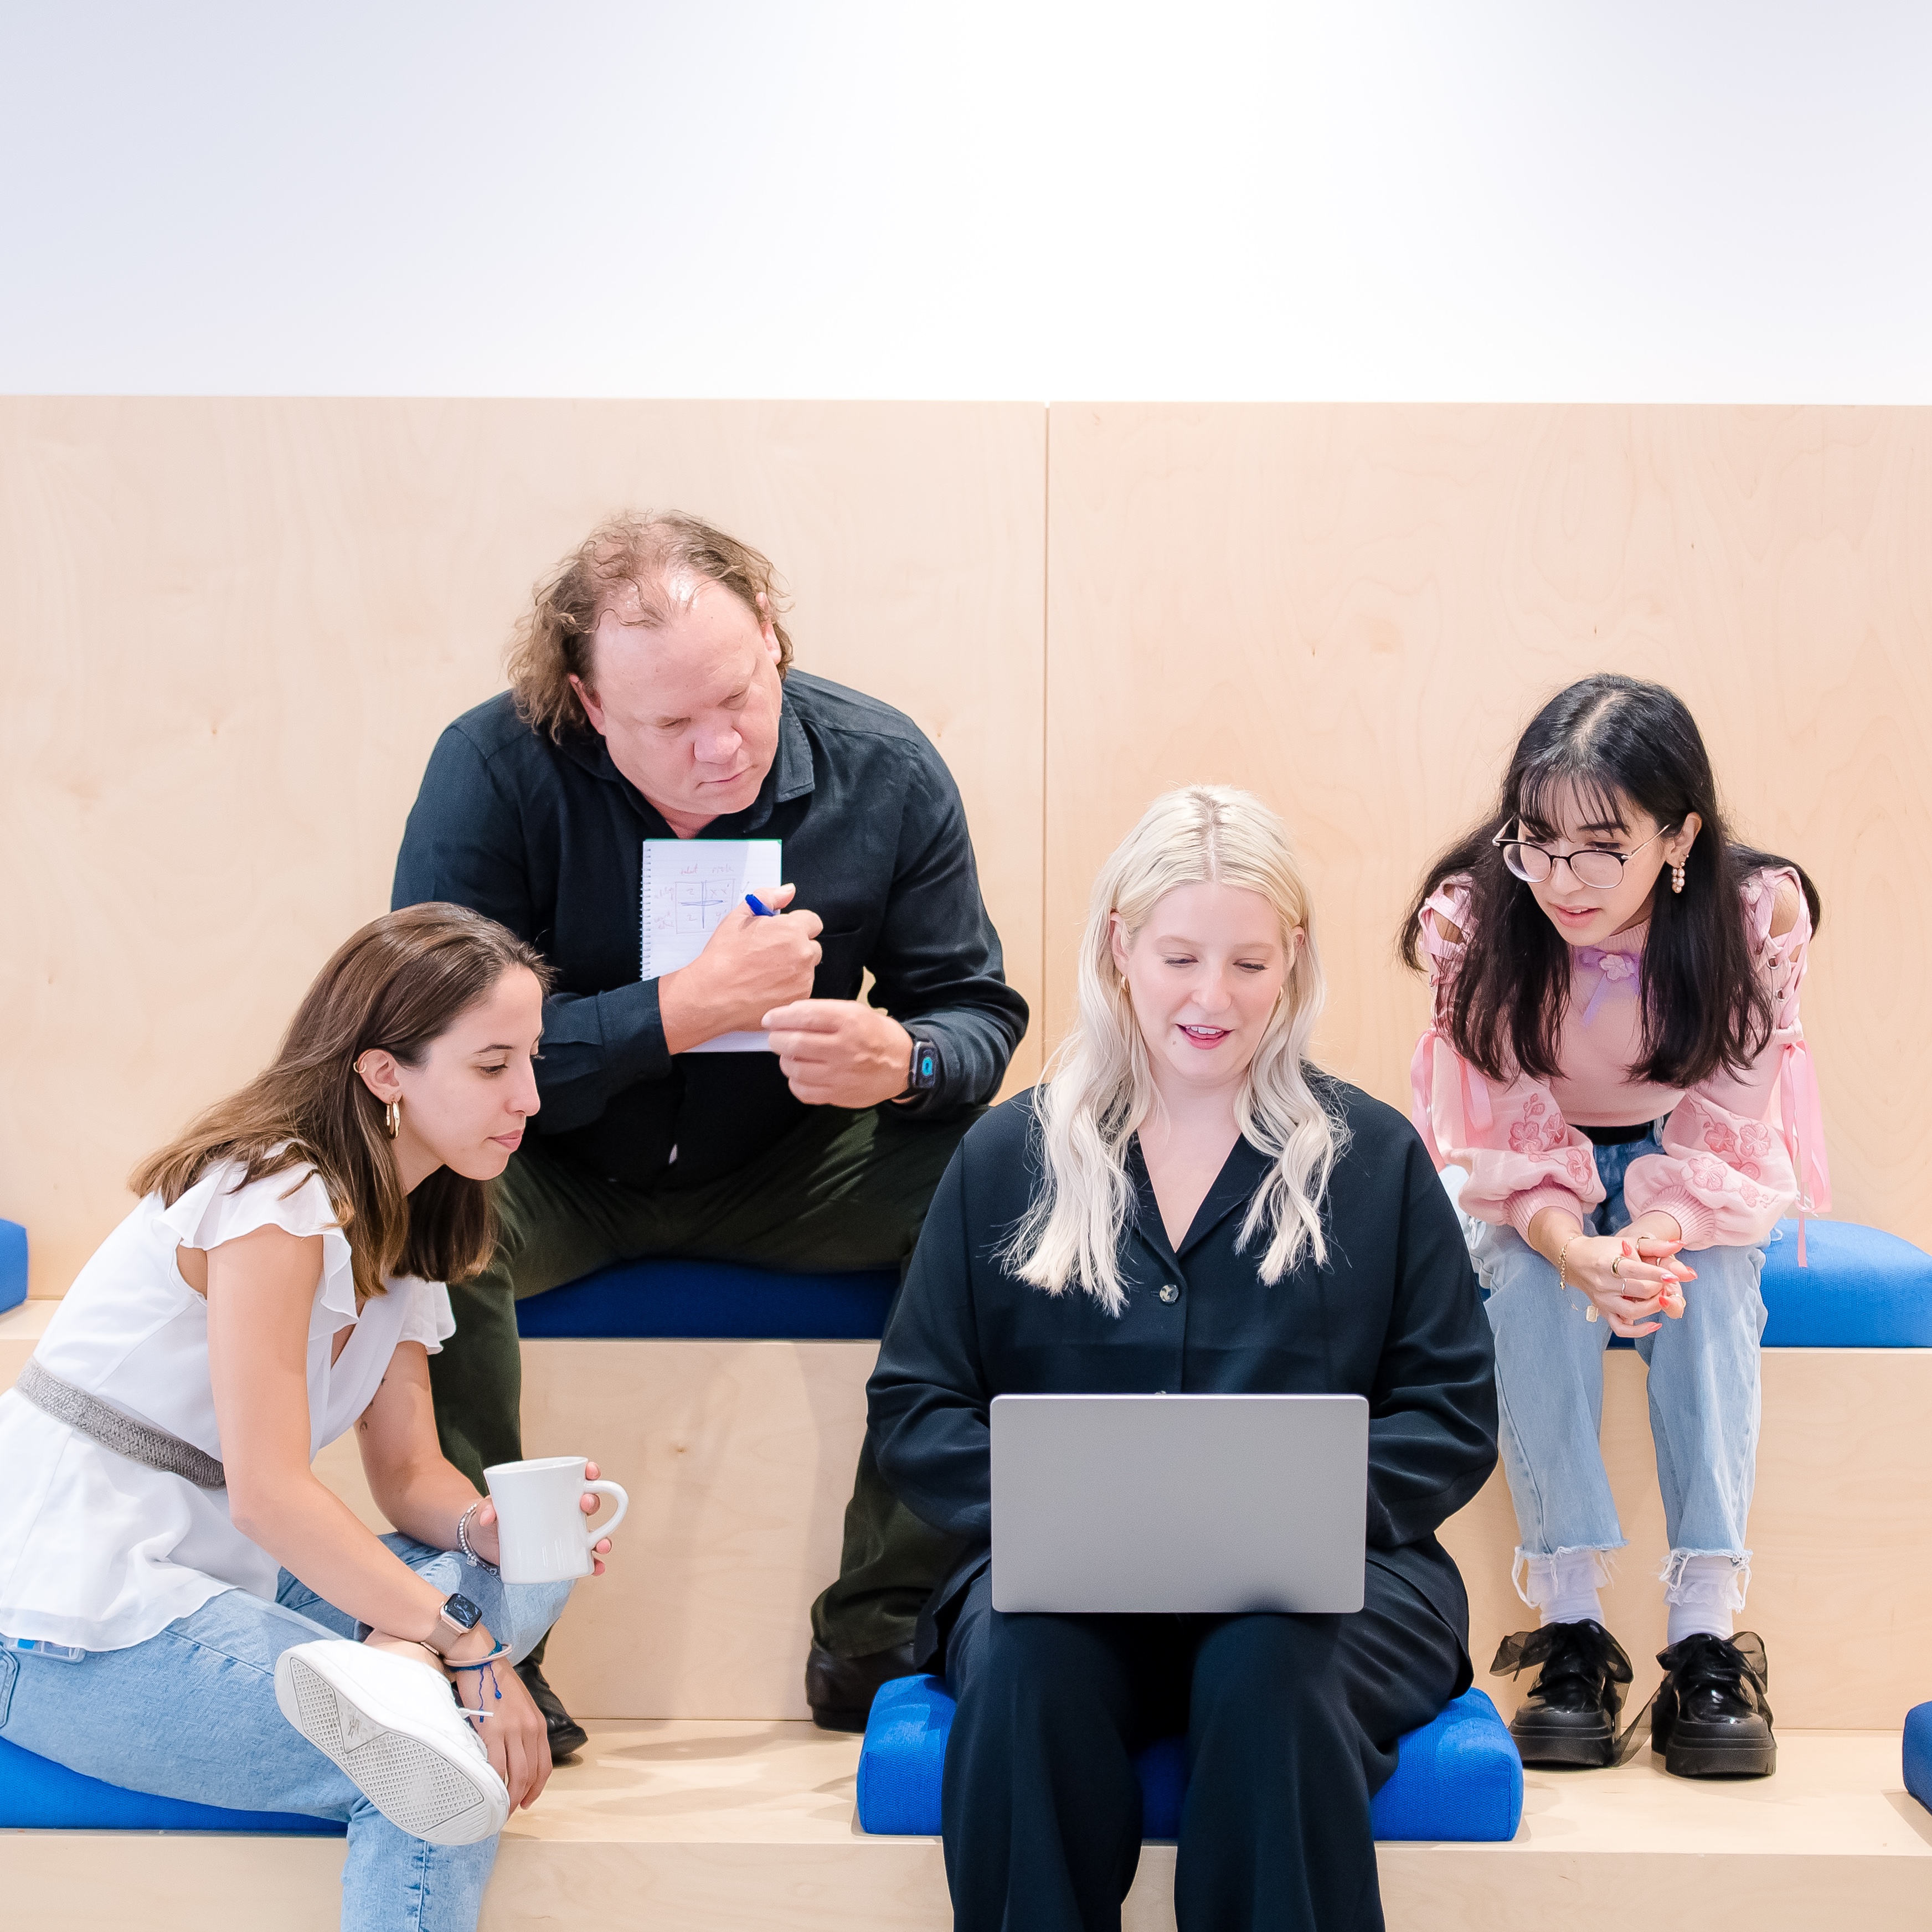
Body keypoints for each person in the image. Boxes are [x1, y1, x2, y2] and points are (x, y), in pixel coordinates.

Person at [392, 510, 1028, 1738]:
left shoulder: (880, 766)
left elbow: (975, 1010)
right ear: (584, 702)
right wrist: (677, 1010)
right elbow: (430, 1055)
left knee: (1009, 1179)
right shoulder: (491, 766)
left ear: (775, 644)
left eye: (738, 698)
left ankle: (880, 1625)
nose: (718, 748)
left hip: (788, 1163)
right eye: (668, 726)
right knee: (426, 1194)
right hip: (548, 1164)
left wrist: (907, 1058)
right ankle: (489, 1641)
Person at [868, 786, 1498, 1932]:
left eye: (1248, 962)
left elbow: (1449, 1412)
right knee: (1023, 1673)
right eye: (1178, 955)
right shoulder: (1005, 1152)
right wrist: (1064, 1508)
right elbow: (916, 1405)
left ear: (1292, 958)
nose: (1212, 996)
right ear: (1118, 946)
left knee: (1267, 1675)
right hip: (1058, 1591)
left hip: (1330, 1593)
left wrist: (1299, 1513)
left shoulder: (1374, 1158)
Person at [0, 904, 619, 1932]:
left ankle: (399, 1672)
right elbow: (270, 1494)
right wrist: (464, 1647)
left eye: (532, 1061)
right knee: (430, 1771)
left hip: (210, 1573)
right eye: (493, 1065)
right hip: (73, 1609)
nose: (530, 1097)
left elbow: (411, 1472)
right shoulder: (272, 1193)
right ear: (385, 1073)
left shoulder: (417, 1215)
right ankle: (409, 1687)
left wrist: (485, 1531)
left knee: (537, 1561)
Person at [1402, 672, 1828, 1778]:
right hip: (1528, 1166)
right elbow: (1496, 1129)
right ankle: (1573, 1629)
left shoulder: (1753, 913)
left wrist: (1651, 1235)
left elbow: (1732, 1122)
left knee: (1712, 1287)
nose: (1559, 878)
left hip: (1692, 1152)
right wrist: (1572, 1242)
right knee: (1525, 1282)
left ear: (1677, 834)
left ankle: (1701, 1633)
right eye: (1533, 840)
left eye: (1599, 845)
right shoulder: (1471, 915)